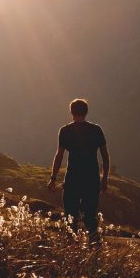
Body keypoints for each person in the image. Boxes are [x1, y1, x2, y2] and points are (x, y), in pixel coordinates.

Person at [47, 98, 110, 242]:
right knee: (91, 219)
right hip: (92, 180)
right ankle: (95, 253)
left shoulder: (65, 131)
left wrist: (53, 178)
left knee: (70, 218)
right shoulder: (96, 130)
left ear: (71, 112)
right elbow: (105, 157)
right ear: (86, 112)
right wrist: (104, 179)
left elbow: (59, 156)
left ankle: (70, 252)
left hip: (72, 180)